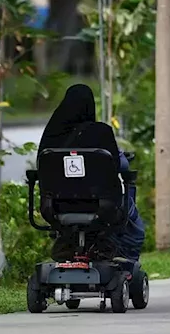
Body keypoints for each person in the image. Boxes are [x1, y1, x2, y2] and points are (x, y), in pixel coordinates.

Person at [38, 84, 145, 261]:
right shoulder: (100, 132)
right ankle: (127, 266)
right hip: (101, 206)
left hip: (55, 207)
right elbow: (121, 166)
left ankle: (69, 243)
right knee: (135, 230)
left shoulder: (50, 136)